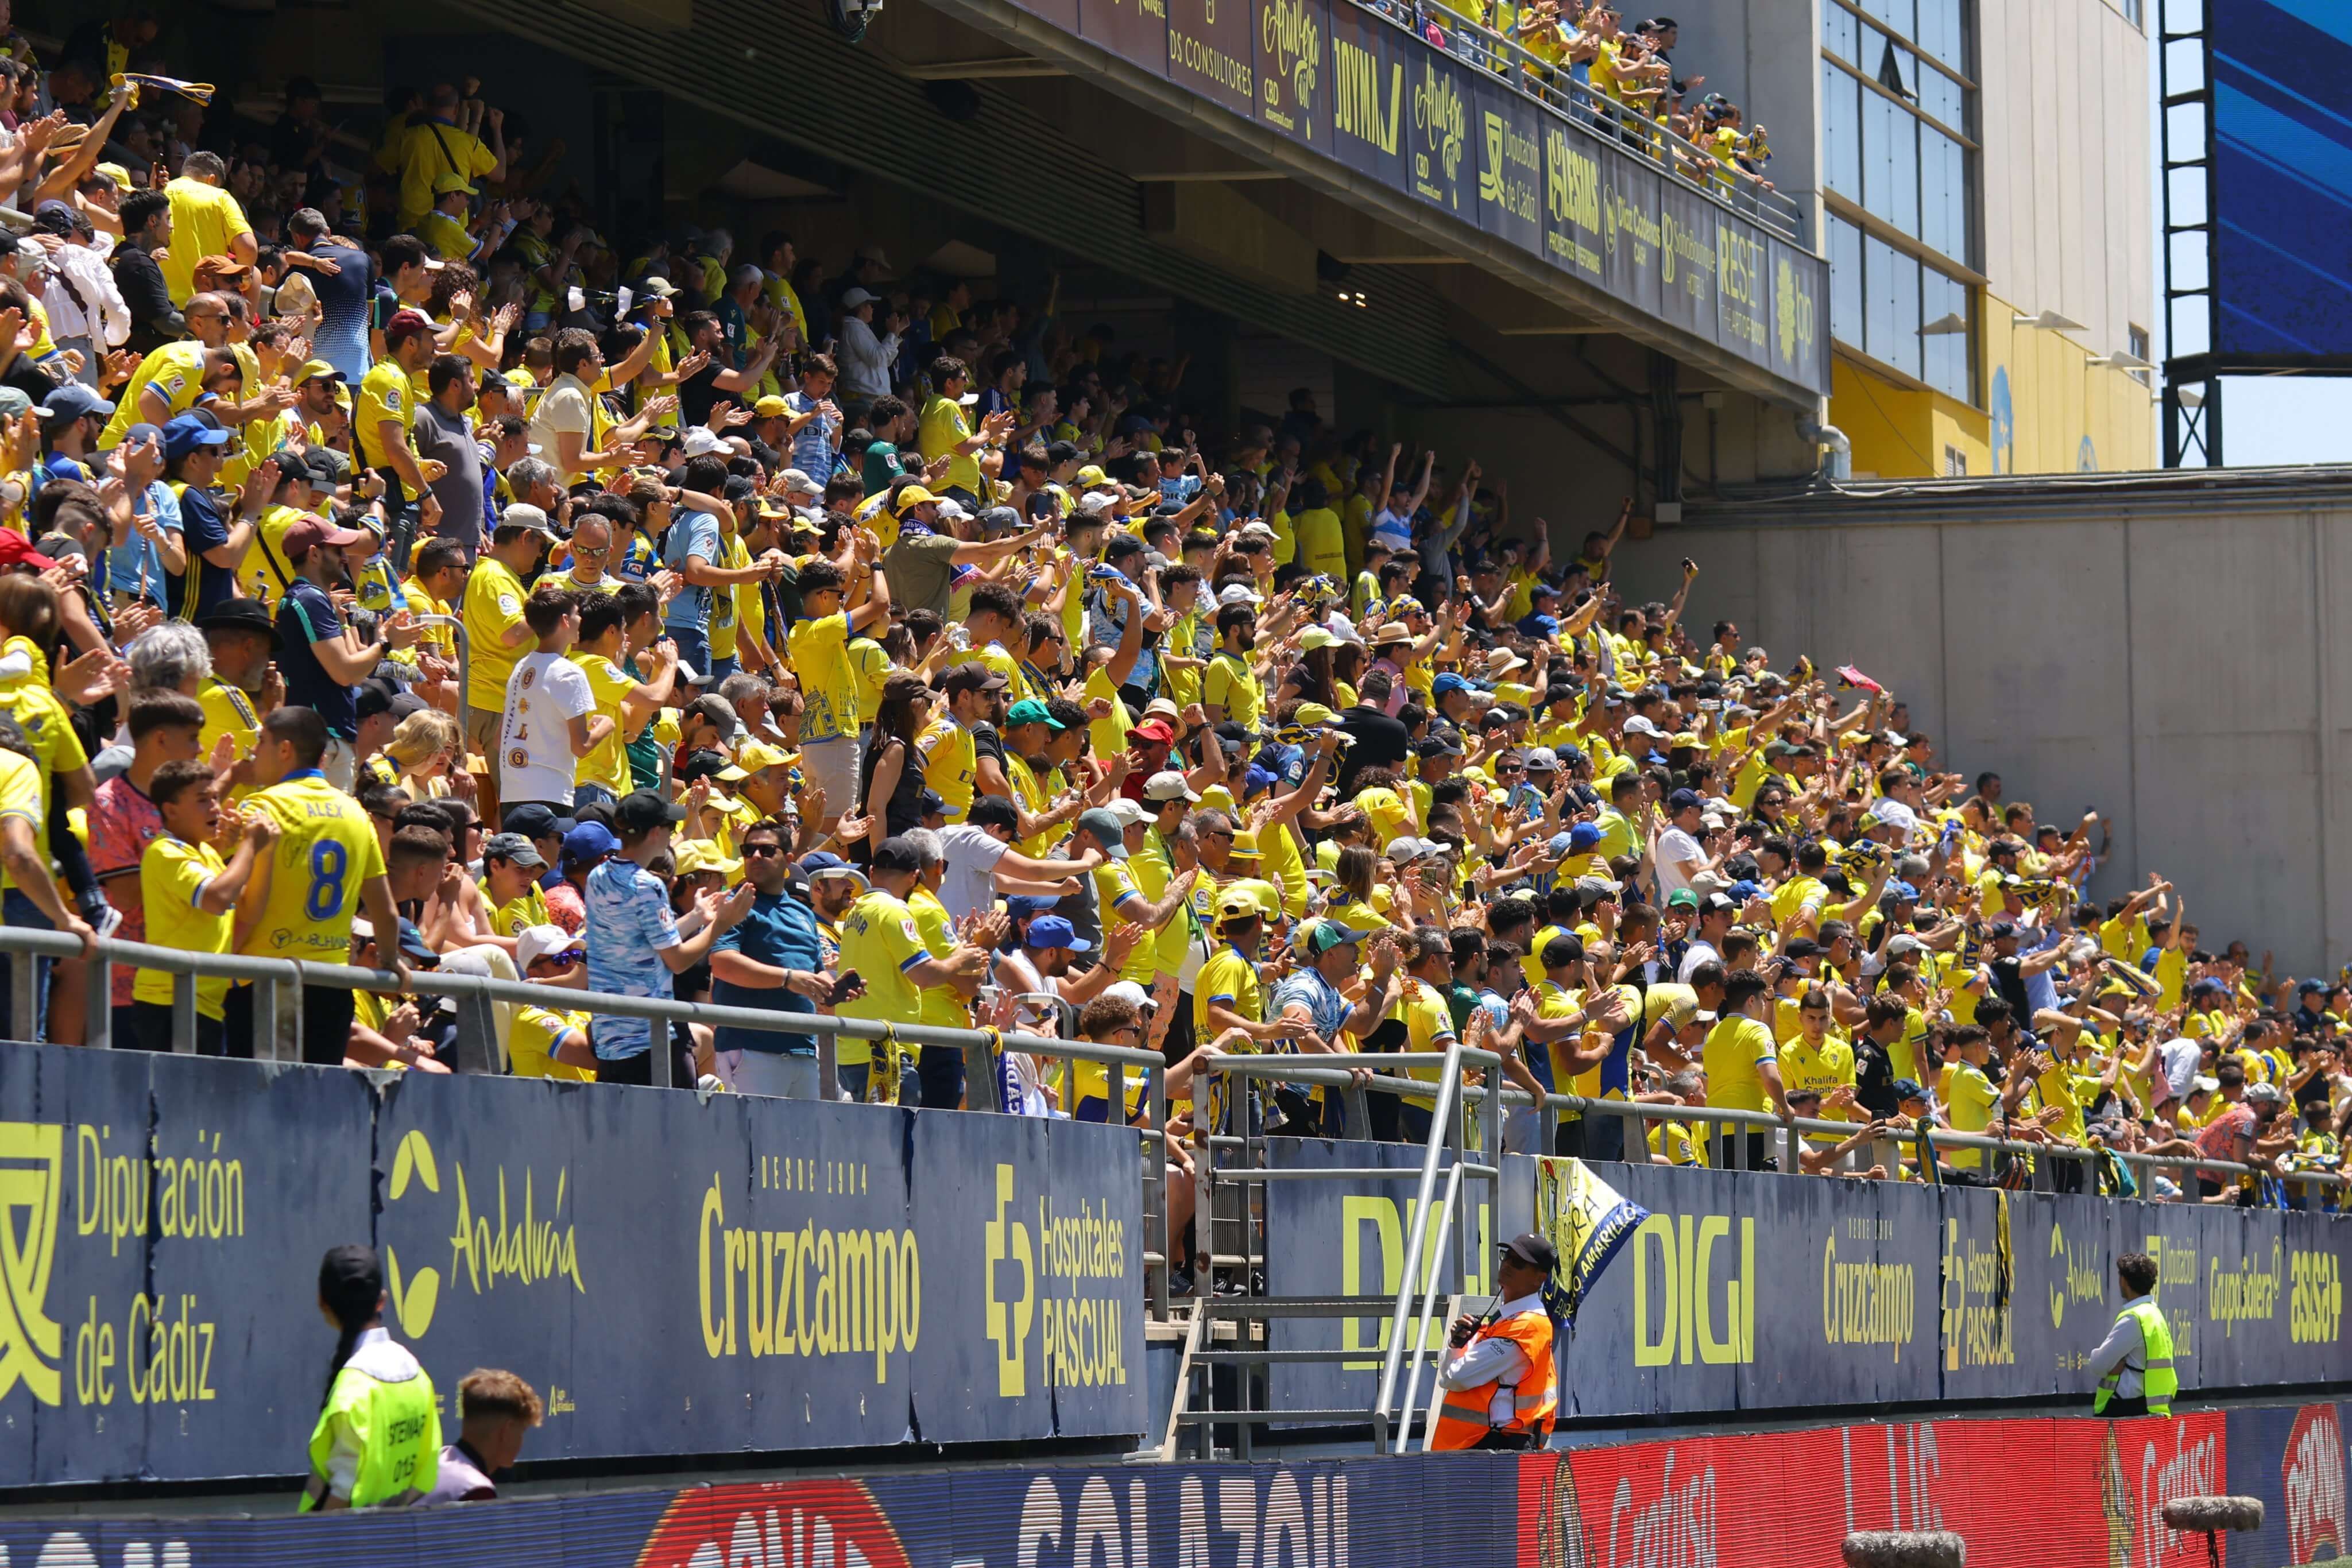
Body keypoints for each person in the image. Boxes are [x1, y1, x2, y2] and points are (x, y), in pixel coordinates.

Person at [584, 789, 756, 1085]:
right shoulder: (648, 886)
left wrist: (697, 917)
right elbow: (676, 961)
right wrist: (720, 926)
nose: (673, 834)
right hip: (652, 1040)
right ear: (654, 833)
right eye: (669, 827)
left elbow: (641, 942)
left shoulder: (598, 876)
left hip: (610, 1036)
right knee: (677, 1128)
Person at [301, 1245, 440, 1512]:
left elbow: (344, 1487)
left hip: (344, 1545)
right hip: (392, 1539)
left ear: (322, 1302)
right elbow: (427, 1470)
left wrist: (314, 1543)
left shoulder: (353, 1388)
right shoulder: (419, 1377)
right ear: (382, 1300)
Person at [1432, 1232, 1560, 1451]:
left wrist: (1456, 1356)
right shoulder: (1508, 1320)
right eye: (1506, 1257)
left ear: (1540, 1278)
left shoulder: (1526, 1326)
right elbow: (1451, 1374)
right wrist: (1456, 1346)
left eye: (1518, 1263)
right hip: (1482, 1445)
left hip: (1495, 1446)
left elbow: (1455, 1377)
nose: (1508, 1265)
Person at [422, 1369, 543, 1505]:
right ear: (507, 1431)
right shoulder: (478, 1492)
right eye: (522, 1432)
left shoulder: (436, 1462)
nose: (522, 1441)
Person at [2086, 1251, 2176, 1419]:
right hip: (2151, 1407)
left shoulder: (2134, 1319)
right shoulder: (2155, 1314)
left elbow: (2098, 1365)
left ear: (2124, 1281)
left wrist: (2109, 1367)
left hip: (2125, 1410)